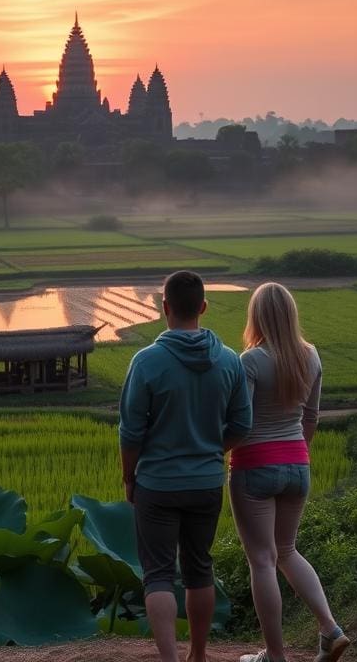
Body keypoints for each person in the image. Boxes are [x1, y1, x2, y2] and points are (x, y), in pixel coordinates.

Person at [119, 270, 252, 662]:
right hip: (207, 481)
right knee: (199, 569)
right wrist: (212, 450)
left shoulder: (146, 361)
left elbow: (130, 432)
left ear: (165, 308)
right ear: (203, 308)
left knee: (158, 574)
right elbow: (242, 425)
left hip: (157, 484)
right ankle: (198, 653)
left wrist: (130, 477)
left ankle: (170, 660)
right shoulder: (229, 360)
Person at [229, 282, 349, 662]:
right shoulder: (311, 356)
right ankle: (331, 629)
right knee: (287, 550)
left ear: (257, 316)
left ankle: (275, 656)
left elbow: (242, 423)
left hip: (255, 467)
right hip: (298, 462)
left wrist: (216, 447)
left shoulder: (250, 360)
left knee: (262, 560)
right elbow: (311, 417)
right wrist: (295, 452)